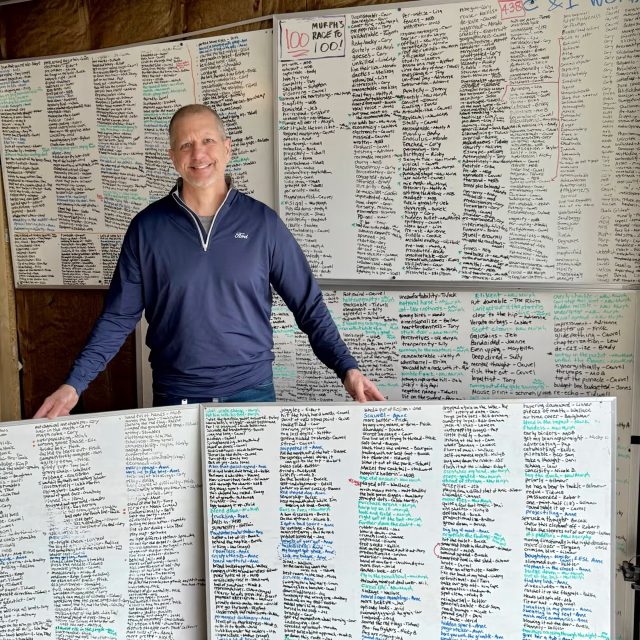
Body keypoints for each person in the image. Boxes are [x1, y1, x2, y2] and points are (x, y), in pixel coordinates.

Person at [35, 104, 384, 419]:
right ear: (173, 157)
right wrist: (74, 384)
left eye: (207, 140)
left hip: (251, 396)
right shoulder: (147, 228)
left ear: (227, 148)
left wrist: (347, 368)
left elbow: (309, 306)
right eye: (186, 145)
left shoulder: (263, 224)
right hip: (175, 398)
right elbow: (117, 318)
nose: (198, 153)